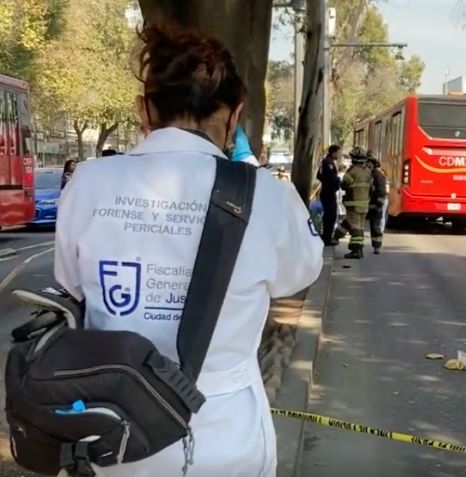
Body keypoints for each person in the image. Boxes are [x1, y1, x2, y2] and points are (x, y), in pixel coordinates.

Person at [53, 23, 323, 477]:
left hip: (114, 439)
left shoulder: (87, 183)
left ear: (143, 111)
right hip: (227, 438)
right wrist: (246, 168)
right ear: (235, 117)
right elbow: (300, 272)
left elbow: (70, 283)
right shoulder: (267, 197)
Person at [341, 147, 373, 259]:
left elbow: (344, 184)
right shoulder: (368, 172)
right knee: (360, 227)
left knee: (355, 227)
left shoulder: (352, 171)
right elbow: (372, 187)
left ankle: (356, 250)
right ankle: (359, 249)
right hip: (364, 204)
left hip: (353, 204)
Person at [317, 145, 342, 246]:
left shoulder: (327, 161)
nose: (339, 155)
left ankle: (326, 236)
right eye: (338, 152)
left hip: (327, 192)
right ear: (334, 152)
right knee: (330, 216)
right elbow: (330, 177)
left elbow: (319, 175)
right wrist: (337, 181)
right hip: (328, 193)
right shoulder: (328, 162)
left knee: (329, 215)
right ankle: (327, 238)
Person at [366, 150, 387, 254]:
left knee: (375, 227)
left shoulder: (378, 175)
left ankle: (377, 246)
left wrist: (378, 204)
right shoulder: (366, 174)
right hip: (365, 204)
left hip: (374, 205)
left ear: (373, 163)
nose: (367, 164)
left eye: (369, 162)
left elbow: (381, 191)